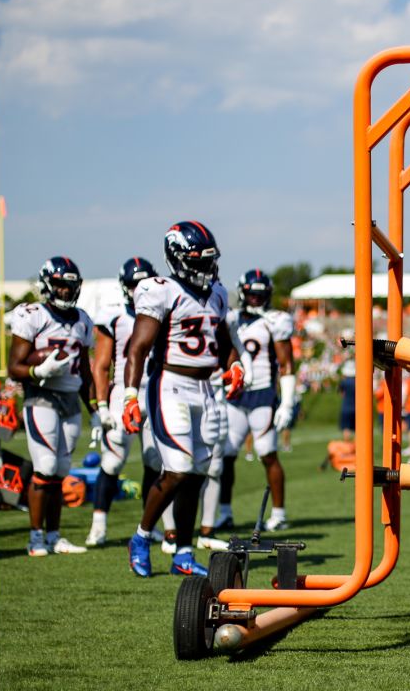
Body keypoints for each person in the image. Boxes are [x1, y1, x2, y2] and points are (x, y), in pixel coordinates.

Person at [121, 221, 251, 577]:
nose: (206, 268)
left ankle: (183, 551)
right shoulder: (159, 289)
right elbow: (139, 346)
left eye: (209, 260)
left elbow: (222, 343)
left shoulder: (218, 293)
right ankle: (142, 537)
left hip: (207, 389)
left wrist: (235, 364)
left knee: (196, 473)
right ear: (177, 258)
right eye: (198, 260)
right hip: (170, 384)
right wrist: (130, 395)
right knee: (176, 470)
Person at [6, 257, 95, 556]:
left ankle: (55, 535)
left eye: (71, 286)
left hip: (70, 400)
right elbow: (13, 367)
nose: (67, 291)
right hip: (41, 398)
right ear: (47, 285)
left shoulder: (82, 319)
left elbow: (84, 369)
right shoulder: (33, 315)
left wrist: (96, 410)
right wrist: (37, 371)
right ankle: (35, 538)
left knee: (60, 470)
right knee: (44, 467)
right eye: (60, 285)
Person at [85, 257, 176, 547]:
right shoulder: (112, 315)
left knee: (155, 461)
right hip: (123, 392)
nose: (139, 291)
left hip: (155, 390)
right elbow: (100, 364)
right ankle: (99, 523)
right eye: (134, 285)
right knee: (112, 461)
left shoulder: (166, 311)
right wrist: (100, 405)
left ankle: (146, 525)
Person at [205, 268, 297, 535]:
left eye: (260, 295)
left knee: (268, 454)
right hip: (235, 396)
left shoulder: (275, 320)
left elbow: (287, 364)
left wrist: (287, 403)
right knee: (226, 456)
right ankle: (225, 512)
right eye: (251, 295)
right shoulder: (231, 318)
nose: (256, 300)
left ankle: (279, 513)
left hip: (263, 395)